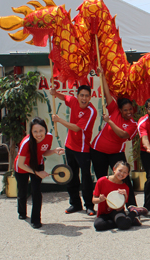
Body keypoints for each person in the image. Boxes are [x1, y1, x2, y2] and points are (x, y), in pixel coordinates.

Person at [90, 72, 138, 207]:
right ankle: (104, 206)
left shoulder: (133, 124)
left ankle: (132, 206)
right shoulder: (114, 110)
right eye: (125, 110)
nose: (129, 112)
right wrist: (103, 76)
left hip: (116, 153)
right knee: (101, 179)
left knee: (125, 178)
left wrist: (109, 122)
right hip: (97, 150)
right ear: (120, 110)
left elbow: (122, 135)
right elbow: (106, 93)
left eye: (130, 109)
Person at [51, 85, 97, 215]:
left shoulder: (91, 111)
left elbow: (77, 128)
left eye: (86, 96)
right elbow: (64, 97)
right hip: (69, 146)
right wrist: (55, 93)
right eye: (81, 95)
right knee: (71, 175)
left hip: (83, 149)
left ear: (90, 97)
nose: (84, 98)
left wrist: (59, 120)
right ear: (77, 96)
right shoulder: (73, 101)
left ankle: (89, 205)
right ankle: (75, 204)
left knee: (86, 177)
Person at [14, 117, 65, 228]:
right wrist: (37, 173)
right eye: (35, 131)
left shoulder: (49, 137)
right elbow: (20, 164)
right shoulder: (26, 143)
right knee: (22, 190)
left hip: (38, 163)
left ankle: (35, 219)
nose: (38, 134)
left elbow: (44, 152)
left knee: (36, 192)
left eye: (41, 130)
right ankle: (22, 212)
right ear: (31, 132)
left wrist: (54, 151)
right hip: (23, 166)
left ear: (45, 130)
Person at [93, 161, 144, 231]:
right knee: (98, 225)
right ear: (114, 169)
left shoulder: (125, 187)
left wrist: (125, 196)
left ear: (128, 174)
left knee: (124, 225)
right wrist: (99, 199)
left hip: (116, 212)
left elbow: (120, 208)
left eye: (125, 172)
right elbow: (94, 200)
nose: (122, 174)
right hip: (104, 213)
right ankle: (129, 221)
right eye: (120, 171)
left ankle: (134, 213)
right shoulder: (101, 181)